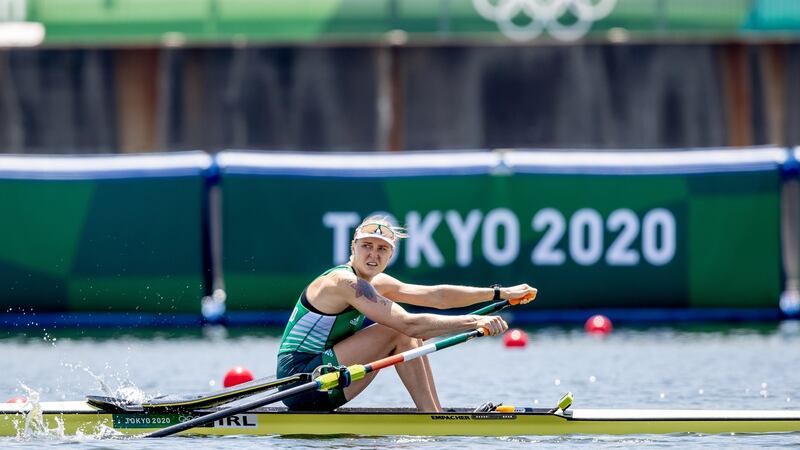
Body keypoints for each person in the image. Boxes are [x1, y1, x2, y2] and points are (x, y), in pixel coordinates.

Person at [276, 215, 537, 412]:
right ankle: (432, 417)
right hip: (303, 382)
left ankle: (434, 414)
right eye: (367, 246)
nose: (373, 255)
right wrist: (475, 321)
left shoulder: (374, 283)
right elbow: (409, 324)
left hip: (329, 378)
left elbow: (436, 296)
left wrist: (500, 293)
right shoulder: (344, 283)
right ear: (353, 247)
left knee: (408, 336)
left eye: (382, 249)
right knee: (398, 329)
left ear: (390, 255)